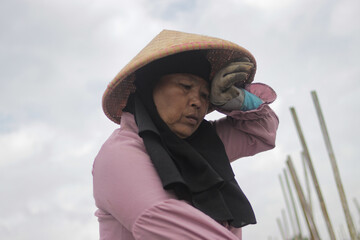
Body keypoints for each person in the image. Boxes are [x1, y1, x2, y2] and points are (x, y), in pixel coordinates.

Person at [93, 30, 279, 240]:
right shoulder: (119, 155)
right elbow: (160, 217)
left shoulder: (203, 146)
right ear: (149, 87)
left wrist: (239, 100)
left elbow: (262, 133)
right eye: (185, 86)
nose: (197, 102)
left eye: (205, 95)